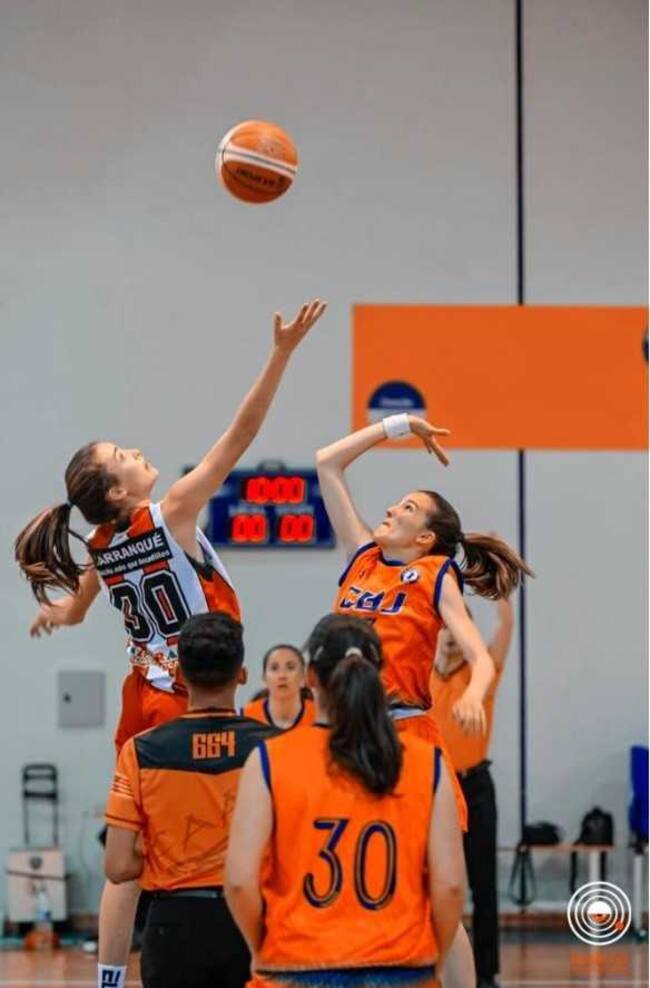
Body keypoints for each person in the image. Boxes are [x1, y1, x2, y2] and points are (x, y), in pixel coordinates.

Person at [14, 298, 327, 988]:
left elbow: (78, 612)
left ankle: (108, 978)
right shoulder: (171, 512)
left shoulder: (101, 547)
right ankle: (279, 954)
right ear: (118, 491)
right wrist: (281, 355)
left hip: (142, 705)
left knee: (131, 860)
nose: (135, 451)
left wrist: (56, 615)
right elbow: (241, 435)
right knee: (243, 830)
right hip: (192, 702)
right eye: (122, 455)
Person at [315, 413, 532, 985]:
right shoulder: (362, 559)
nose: (392, 509)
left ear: (425, 538)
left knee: (437, 897)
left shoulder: (434, 575)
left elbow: (479, 654)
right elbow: (327, 463)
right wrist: (399, 425)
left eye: (407, 508)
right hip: (343, 737)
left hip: (405, 736)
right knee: (341, 882)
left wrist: (475, 694)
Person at [225, 614, 467, 987]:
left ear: (310, 678)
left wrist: (263, 950)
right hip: (401, 964)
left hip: (297, 963)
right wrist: (434, 961)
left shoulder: (270, 759)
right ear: (379, 674)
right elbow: (450, 885)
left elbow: (240, 881)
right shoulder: (427, 762)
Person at [104, 611, 277, 988]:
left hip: (173, 929)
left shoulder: (140, 751)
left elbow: (117, 866)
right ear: (242, 674)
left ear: (179, 674)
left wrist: (166, 857)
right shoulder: (278, 748)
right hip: (254, 924)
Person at [431, 597, 514, 988]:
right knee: (434, 884)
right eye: (444, 626)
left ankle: (486, 974)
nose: (450, 635)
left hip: (476, 787)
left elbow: (504, 632)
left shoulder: (482, 677)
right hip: (437, 790)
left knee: (483, 885)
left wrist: (503, 603)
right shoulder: (421, 679)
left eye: (458, 627)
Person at [243, 644, 315, 729]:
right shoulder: (245, 717)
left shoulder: (320, 717)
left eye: (290, 668)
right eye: (274, 668)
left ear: (303, 678)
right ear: (264, 678)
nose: (282, 675)